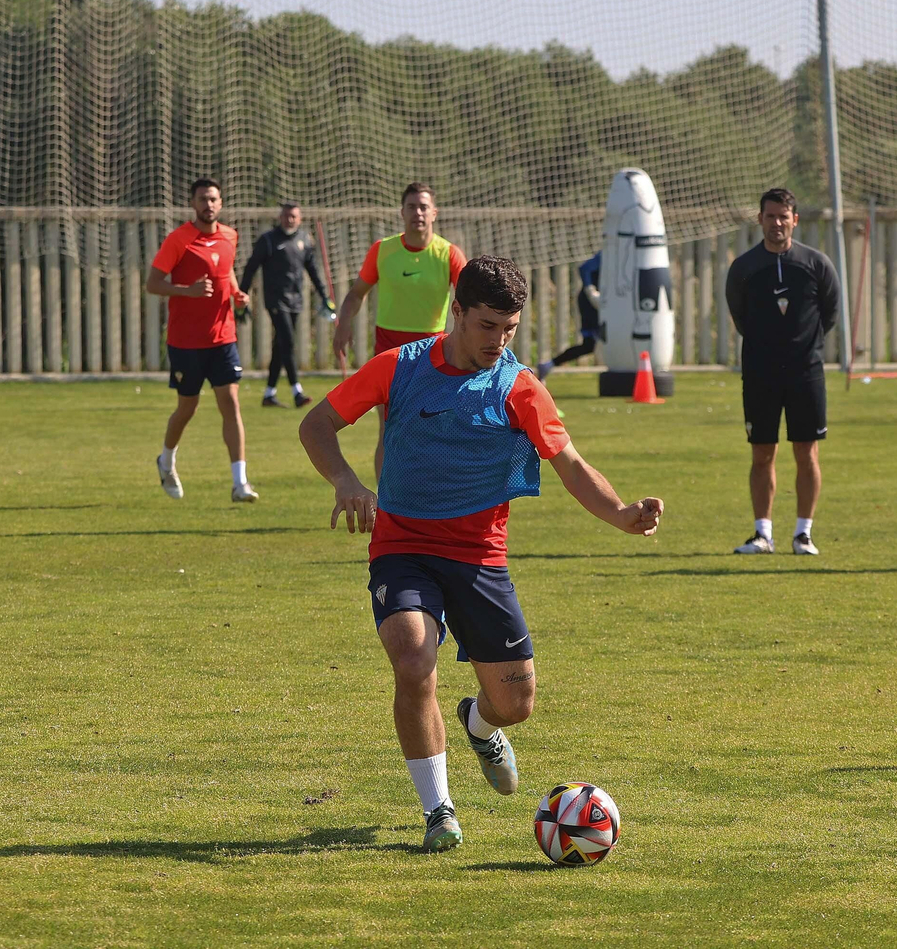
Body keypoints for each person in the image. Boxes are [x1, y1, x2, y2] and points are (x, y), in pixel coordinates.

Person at [299, 255, 664, 853]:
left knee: (515, 705)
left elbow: (571, 465)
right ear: (458, 312)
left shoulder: (520, 387)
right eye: (487, 325)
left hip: (480, 559)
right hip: (403, 547)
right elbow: (316, 425)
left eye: (509, 329)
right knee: (414, 659)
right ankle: (438, 810)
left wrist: (623, 514)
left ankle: (478, 722)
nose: (498, 340)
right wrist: (345, 481)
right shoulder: (400, 367)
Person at [724, 188, 839, 556]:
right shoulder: (744, 268)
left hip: (806, 373)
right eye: (770, 216)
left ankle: (803, 534)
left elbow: (829, 313)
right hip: (761, 374)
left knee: (807, 452)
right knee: (762, 453)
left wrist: (804, 347)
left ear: (795, 220)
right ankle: (763, 534)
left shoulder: (816, 264)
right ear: (760, 219)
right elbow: (740, 316)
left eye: (783, 216)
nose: (777, 223)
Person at [330, 183, 467, 476]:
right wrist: (343, 325)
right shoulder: (383, 250)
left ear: (434, 213)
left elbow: (470, 298)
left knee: (432, 427)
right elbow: (356, 294)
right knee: (389, 428)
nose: (418, 212)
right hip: (390, 350)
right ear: (401, 212)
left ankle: (430, 496)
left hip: (433, 351)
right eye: (411, 207)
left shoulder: (449, 254)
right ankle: (387, 500)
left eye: (423, 207)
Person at [147, 179, 257, 503]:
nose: (208, 204)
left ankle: (240, 483)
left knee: (231, 404)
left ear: (220, 202)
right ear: (193, 204)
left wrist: (236, 293)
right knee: (187, 408)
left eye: (213, 199)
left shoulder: (230, 236)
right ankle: (166, 460)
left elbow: (226, 270)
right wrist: (187, 291)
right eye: (202, 199)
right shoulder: (178, 240)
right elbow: (152, 284)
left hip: (223, 338)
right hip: (186, 342)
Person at [239, 202, 335, 408]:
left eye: (293, 216)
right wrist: (242, 296)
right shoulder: (268, 240)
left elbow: (313, 270)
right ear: (279, 217)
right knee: (288, 341)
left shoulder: (304, 240)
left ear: (299, 219)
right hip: (276, 300)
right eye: (286, 216)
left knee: (280, 345)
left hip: (296, 301)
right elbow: (250, 268)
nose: (289, 220)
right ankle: (297, 392)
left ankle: (269, 394)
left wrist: (324, 296)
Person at [536, 251, 602, 378]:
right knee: (591, 343)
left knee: (591, 345)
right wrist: (590, 290)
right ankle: (548, 365)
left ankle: (548, 365)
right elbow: (584, 268)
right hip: (592, 302)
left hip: (606, 302)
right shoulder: (608, 254)